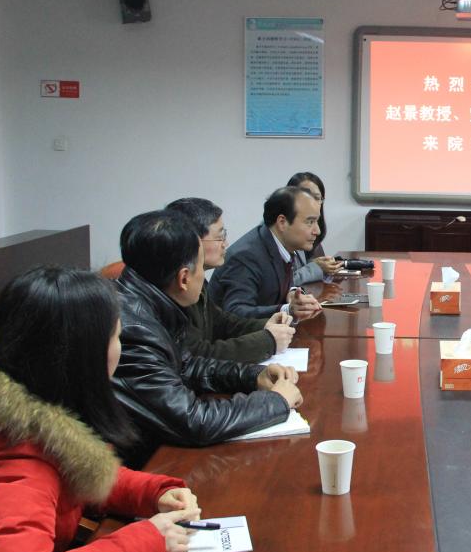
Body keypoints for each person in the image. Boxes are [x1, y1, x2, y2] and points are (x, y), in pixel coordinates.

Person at [0, 266, 200, 552]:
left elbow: (75, 473)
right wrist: (148, 542)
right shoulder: (15, 459)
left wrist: (152, 492)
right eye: (116, 336)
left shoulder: (21, 404)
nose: (121, 348)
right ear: (85, 357)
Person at [112, 210, 303, 466]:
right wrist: (275, 401)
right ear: (183, 278)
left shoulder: (149, 300)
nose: (203, 276)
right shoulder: (134, 330)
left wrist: (253, 376)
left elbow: (187, 365)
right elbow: (192, 420)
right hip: (135, 466)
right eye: (201, 267)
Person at [165, 197, 294, 362]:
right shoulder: (176, 288)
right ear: (191, 240)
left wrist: (266, 325)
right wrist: (267, 341)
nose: (225, 244)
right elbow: (197, 356)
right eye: (220, 237)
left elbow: (221, 322)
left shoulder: (197, 279)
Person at [209, 186, 323, 319]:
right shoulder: (246, 256)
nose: (317, 231)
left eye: (317, 221)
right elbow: (236, 312)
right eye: (310, 222)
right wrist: (287, 310)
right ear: (282, 222)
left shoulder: (282, 245)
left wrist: (292, 293)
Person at [287, 172, 342, 285]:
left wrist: (323, 265)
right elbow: (282, 283)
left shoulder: (310, 230)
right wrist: (316, 268)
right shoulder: (282, 229)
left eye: (316, 198)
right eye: (305, 197)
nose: (311, 202)